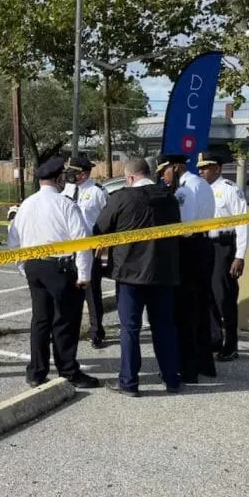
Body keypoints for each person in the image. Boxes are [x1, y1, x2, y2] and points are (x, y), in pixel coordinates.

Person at [7, 156, 100, 389]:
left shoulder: (26, 204)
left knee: (40, 320)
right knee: (65, 321)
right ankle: (68, 370)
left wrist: (23, 267)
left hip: (34, 266)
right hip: (60, 268)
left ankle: (36, 372)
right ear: (58, 178)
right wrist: (84, 275)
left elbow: (13, 239)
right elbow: (81, 242)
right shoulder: (65, 204)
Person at [93, 158, 183, 396]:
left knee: (130, 329)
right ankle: (172, 379)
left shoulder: (121, 198)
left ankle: (129, 382)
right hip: (163, 273)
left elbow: (99, 227)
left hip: (130, 274)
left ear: (130, 177)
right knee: (164, 327)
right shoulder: (169, 198)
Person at [156, 153, 217, 383]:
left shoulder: (184, 191)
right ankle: (205, 364)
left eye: (165, 171)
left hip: (188, 250)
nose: (163, 177)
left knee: (185, 311)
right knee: (201, 308)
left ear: (177, 167)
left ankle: (188, 369)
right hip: (204, 246)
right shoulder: (202, 184)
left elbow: (184, 228)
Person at [198, 151, 249, 362]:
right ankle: (214, 338)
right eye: (199, 168)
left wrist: (240, 255)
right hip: (205, 245)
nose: (200, 171)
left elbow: (243, 223)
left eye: (205, 167)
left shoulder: (229, 189)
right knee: (207, 294)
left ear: (217, 169)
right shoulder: (201, 190)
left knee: (223, 296)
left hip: (224, 246)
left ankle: (231, 344)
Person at [62, 156, 110, 348]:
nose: (68, 175)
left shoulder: (98, 192)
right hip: (67, 248)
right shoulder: (66, 189)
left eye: (72, 172)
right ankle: (69, 329)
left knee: (92, 292)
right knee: (67, 291)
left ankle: (96, 331)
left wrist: (103, 244)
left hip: (90, 247)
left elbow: (107, 220)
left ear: (82, 174)